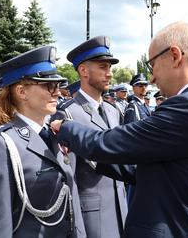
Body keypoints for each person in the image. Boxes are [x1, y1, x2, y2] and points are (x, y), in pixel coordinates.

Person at [51, 22, 188, 238]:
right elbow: (150, 172)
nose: (152, 79)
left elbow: (106, 143)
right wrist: (97, 160)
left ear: (175, 56)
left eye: (152, 65)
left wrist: (64, 127)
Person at [0, 46, 86, 238]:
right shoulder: (1, 144)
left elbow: (72, 201)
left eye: (57, 85)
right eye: (49, 86)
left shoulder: (57, 133)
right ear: (21, 92)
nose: (57, 93)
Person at [52, 36, 129, 238]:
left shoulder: (113, 111)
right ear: (84, 71)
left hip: (121, 210)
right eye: (103, 67)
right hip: (92, 218)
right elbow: (69, 179)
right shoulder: (67, 114)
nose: (109, 74)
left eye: (110, 67)